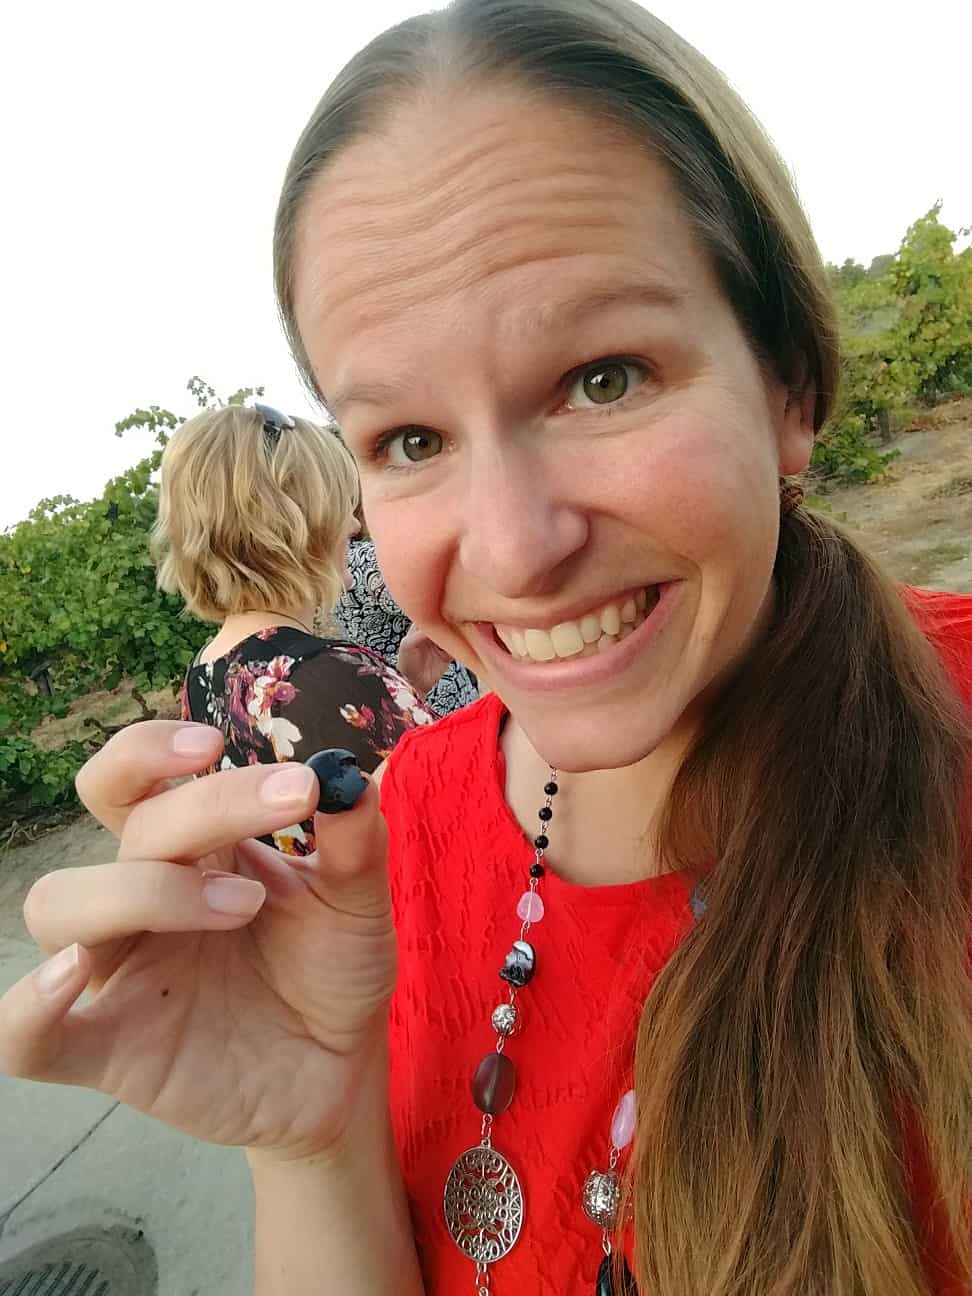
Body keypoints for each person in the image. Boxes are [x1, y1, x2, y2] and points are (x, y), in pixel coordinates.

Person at [2, 3, 970, 1294]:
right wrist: (304, 1134)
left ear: (788, 384)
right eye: (410, 441)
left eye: (604, 377)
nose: (511, 551)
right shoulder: (416, 811)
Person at [152, 401, 435, 853]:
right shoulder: (332, 675)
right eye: (341, 505)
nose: (355, 523)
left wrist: (403, 685)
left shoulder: (204, 674)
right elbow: (455, 826)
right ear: (305, 525)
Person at [335, 533, 479, 714]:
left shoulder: (335, 565)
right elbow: (443, 601)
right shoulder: (369, 560)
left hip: (393, 689)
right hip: (435, 688)